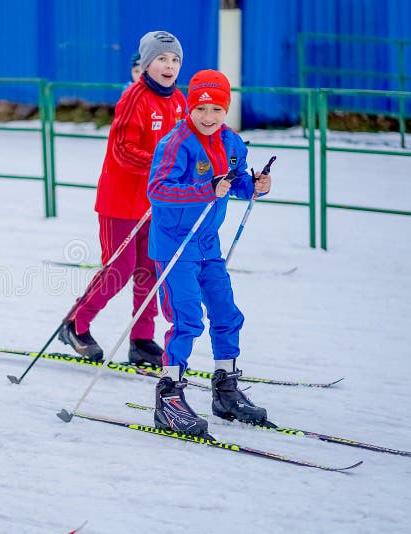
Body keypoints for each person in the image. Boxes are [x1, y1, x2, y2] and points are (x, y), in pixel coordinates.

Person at [147, 70, 272, 436]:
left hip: (207, 245)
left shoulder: (232, 142)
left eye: (217, 108)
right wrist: (206, 188)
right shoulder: (176, 143)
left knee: (226, 314)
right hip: (175, 245)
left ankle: (226, 389)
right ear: (190, 106)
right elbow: (158, 190)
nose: (208, 116)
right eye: (201, 107)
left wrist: (256, 186)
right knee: (187, 319)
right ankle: (169, 397)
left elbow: (236, 182)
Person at [59, 31, 186, 367]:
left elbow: (189, 146)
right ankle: (76, 323)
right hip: (121, 201)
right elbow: (122, 150)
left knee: (150, 269)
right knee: (119, 268)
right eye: (161, 58)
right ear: (146, 63)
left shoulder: (179, 102)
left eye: (174, 60)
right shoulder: (134, 97)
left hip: (155, 203)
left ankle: (142, 339)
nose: (168, 65)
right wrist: (162, 166)